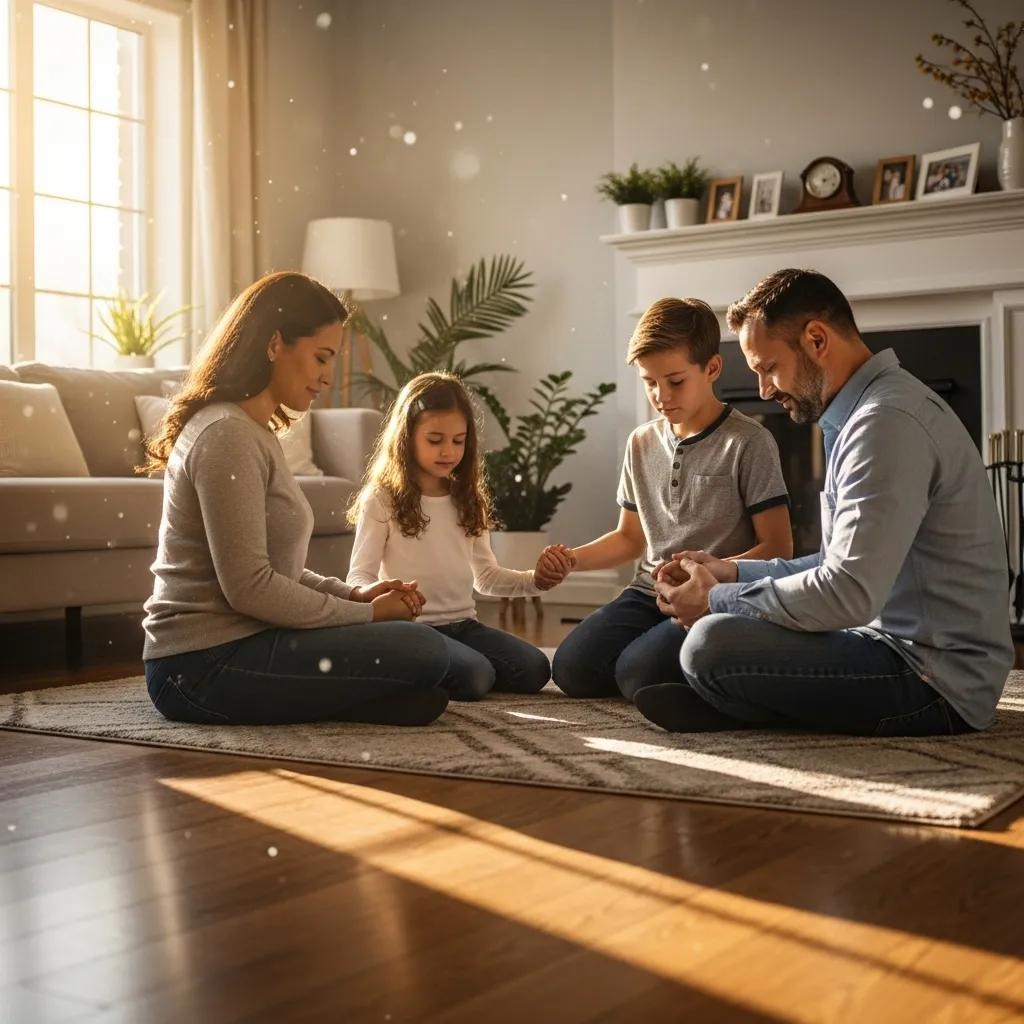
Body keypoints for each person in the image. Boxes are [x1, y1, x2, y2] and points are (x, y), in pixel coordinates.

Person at [635, 268, 1013, 736]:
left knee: (709, 644)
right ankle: (745, 706)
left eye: (768, 368)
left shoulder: (885, 424)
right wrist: (730, 571)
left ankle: (745, 708)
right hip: (887, 644)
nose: (764, 391)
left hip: (932, 681)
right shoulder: (865, 414)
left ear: (816, 339)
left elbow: (847, 594)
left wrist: (714, 600)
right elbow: (837, 565)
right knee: (678, 656)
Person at [142, 271, 452, 727]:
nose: (327, 377)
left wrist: (353, 592)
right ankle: (360, 697)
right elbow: (249, 587)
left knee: (424, 675)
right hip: (198, 666)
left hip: (246, 643)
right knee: (424, 651)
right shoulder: (225, 434)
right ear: (274, 345)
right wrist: (365, 614)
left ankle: (354, 699)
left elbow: (274, 570)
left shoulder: (254, 432)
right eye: (321, 358)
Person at [551, 297, 792, 701]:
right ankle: (676, 672)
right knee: (571, 669)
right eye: (649, 382)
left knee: (636, 672)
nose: (660, 395)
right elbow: (629, 539)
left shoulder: (750, 442)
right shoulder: (641, 443)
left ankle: (699, 673)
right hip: (648, 592)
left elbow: (779, 547)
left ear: (712, 368)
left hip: (710, 596)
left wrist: (708, 574)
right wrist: (571, 561)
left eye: (675, 381)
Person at [347, 372, 572, 701]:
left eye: (458, 440)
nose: (448, 451)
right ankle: (407, 664)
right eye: (435, 440)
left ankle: (434, 667)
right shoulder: (381, 499)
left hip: (465, 626)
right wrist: (374, 594)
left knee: (535, 669)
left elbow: (485, 577)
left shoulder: (467, 497)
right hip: (412, 629)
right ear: (406, 438)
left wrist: (535, 581)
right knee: (475, 675)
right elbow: (358, 574)